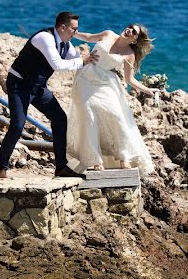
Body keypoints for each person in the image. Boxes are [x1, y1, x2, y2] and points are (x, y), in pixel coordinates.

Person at [0, 11, 98, 179]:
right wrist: (82, 61)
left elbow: (79, 61)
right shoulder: (45, 38)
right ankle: (1, 169)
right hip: (19, 84)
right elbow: (58, 64)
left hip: (38, 88)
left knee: (60, 118)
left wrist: (102, 62)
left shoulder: (66, 44)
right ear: (63, 27)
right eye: (74, 29)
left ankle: (61, 167)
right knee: (17, 125)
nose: (76, 33)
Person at [66, 24, 158, 175]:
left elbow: (130, 80)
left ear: (135, 40)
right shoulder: (108, 34)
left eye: (133, 31)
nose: (129, 30)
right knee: (89, 116)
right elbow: (89, 37)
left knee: (117, 116)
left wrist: (148, 90)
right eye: (129, 27)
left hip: (105, 82)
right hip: (86, 78)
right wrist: (72, 33)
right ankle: (96, 160)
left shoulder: (129, 54)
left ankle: (124, 156)